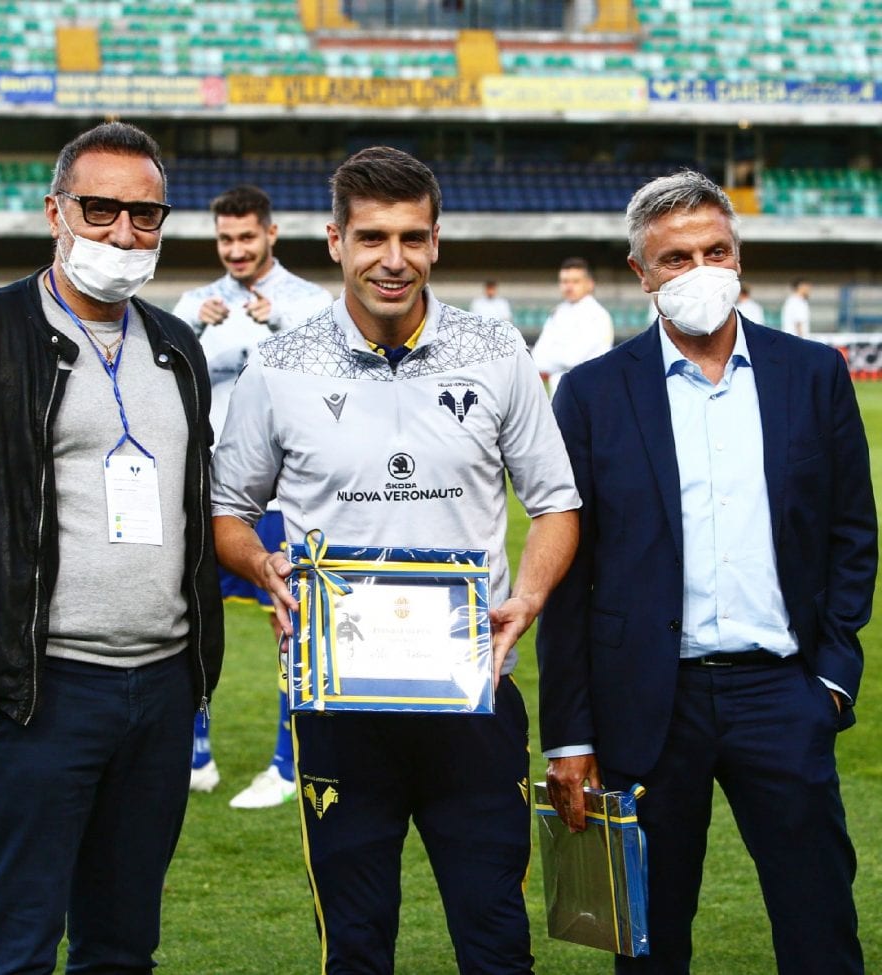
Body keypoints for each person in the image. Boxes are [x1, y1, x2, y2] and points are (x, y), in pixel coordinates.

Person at [211, 146, 580, 973]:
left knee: (496, 942)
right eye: (372, 237)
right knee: (355, 944)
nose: (394, 259)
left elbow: (556, 501)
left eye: (413, 237)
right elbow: (227, 509)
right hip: (340, 707)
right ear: (335, 241)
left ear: (436, 242)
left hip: (475, 694)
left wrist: (527, 596)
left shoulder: (495, 350)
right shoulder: (280, 365)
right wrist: (263, 566)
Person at [0, 121, 225, 975]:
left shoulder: (177, 346)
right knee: (14, 948)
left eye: (145, 214)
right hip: (38, 693)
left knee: (122, 948)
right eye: (100, 208)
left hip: (160, 691)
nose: (123, 233)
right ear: (55, 211)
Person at [537, 169, 876, 975]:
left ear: (739, 254)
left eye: (715, 250)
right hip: (647, 706)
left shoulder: (813, 373)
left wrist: (831, 679)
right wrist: (571, 736)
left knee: (821, 926)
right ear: (641, 273)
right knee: (649, 941)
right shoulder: (591, 394)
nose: (701, 270)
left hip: (784, 693)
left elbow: (851, 533)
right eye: (677, 257)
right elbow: (568, 578)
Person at [173, 185, 333, 807]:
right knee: (188, 618)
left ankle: (288, 765)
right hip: (204, 489)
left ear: (270, 234)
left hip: (282, 493)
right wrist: (192, 328)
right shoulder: (194, 303)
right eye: (225, 239)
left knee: (289, 622)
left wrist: (281, 325)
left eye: (246, 237)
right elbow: (161, 379)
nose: (236, 249)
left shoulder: (309, 302)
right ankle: (195, 755)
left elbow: (333, 380)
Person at [530, 256, 614, 395]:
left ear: (590, 284)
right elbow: (537, 358)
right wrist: (558, 354)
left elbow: (571, 358)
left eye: (575, 281)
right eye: (564, 281)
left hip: (589, 393)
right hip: (558, 392)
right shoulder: (558, 313)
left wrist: (551, 353)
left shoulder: (597, 316)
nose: (569, 287)